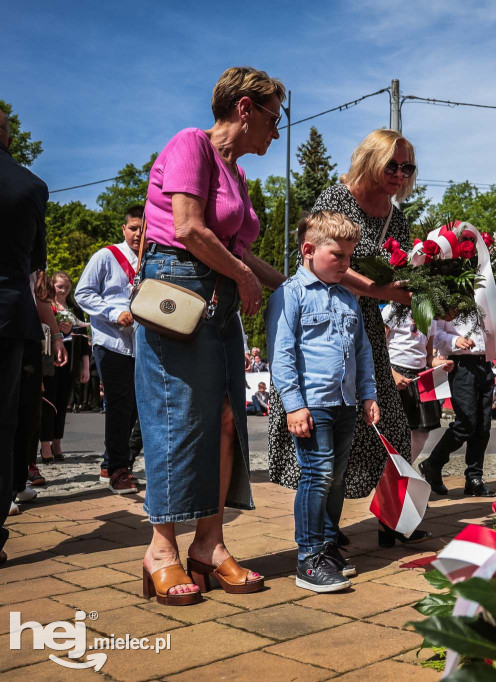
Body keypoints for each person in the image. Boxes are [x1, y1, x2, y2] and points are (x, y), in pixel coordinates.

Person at [136, 66, 288, 606]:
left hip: (220, 298)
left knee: (225, 421)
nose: (277, 130)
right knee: (177, 418)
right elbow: (187, 227)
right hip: (178, 291)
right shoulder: (190, 145)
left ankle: (208, 544)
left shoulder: (238, 176)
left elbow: (238, 249)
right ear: (244, 108)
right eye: (274, 117)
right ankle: (160, 550)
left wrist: (290, 284)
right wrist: (246, 276)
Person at [268, 128, 422, 549]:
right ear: (371, 159)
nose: (399, 173)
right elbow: (329, 258)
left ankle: (394, 521)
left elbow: (405, 269)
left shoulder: (397, 215)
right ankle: (324, 530)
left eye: (407, 166)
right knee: (333, 434)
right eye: (392, 164)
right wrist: (381, 290)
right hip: (325, 320)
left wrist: (429, 294)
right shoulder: (337, 199)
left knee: (392, 424)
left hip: (365, 324)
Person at [268, 210, 379, 592]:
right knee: (317, 475)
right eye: (339, 256)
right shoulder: (290, 295)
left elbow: (362, 352)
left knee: (335, 478)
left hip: (345, 402)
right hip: (312, 403)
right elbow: (281, 354)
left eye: (350, 257)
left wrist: (368, 394)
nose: (346, 265)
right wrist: (294, 405)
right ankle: (309, 558)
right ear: (309, 249)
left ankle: (328, 544)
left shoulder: (349, 299)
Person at [0, 106, 62, 555]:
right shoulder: (31, 186)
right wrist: (53, 331)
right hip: (8, 315)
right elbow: (38, 277)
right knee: (3, 424)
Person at [76, 205, 145, 493]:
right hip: (111, 341)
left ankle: (109, 464)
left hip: (140, 343)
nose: (139, 234)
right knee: (120, 404)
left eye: (143, 229)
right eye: (134, 228)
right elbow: (82, 293)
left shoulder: (152, 260)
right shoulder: (106, 256)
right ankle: (119, 468)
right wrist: (113, 313)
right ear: (124, 229)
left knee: (136, 408)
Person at [419, 314, 496, 498]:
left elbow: (484, 335)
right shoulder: (449, 295)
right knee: (466, 423)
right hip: (462, 365)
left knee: (483, 426)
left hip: (485, 364)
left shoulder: (482, 293)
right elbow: (435, 332)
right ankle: (433, 463)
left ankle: (474, 479)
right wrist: (455, 340)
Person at [382, 302, 453, 461]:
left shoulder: (431, 318)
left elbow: (427, 356)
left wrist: (440, 364)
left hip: (419, 377)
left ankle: (404, 474)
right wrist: (391, 373)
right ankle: (385, 478)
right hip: (394, 373)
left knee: (421, 432)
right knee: (392, 430)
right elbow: (377, 346)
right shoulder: (393, 309)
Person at [40, 271, 90, 463]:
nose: (63, 290)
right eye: (60, 286)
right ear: (52, 286)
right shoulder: (46, 306)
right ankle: (45, 444)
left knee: (63, 402)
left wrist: (85, 367)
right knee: (48, 402)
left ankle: (57, 441)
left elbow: (84, 342)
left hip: (71, 358)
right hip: (49, 357)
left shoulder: (75, 309)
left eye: (67, 287)